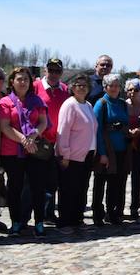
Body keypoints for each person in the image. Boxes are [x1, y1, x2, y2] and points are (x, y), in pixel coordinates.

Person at [0, 67, 48, 237]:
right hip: (12, 151)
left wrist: (32, 137)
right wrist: (23, 140)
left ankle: (39, 222)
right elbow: (5, 126)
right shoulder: (6, 101)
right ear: (12, 81)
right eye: (19, 79)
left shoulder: (37, 101)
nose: (23, 82)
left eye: (26, 79)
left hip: (34, 151)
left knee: (37, 188)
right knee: (15, 188)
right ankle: (16, 222)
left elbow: (43, 122)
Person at [55, 75, 97, 233]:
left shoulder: (88, 105)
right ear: (72, 88)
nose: (81, 88)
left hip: (87, 154)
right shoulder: (69, 105)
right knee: (68, 189)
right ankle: (65, 222)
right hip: (71, 155)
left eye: (84, 85)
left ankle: (76, 219)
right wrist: (64, 154)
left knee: (81, 188)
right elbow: (63, 131)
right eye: (78, 85)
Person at [33, 58, 69, 224]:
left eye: (57, 71)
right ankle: (31, 215)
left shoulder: (64, 90)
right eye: (51, 70)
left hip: (57, 142)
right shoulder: (35, 86)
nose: (53, 74)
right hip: (38, 140)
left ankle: (49, 213)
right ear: (45, 70)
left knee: (52, 182)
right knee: (34, 181)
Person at [92, 73, 130, 226]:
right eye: (111, 86)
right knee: (100, 183)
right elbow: (97, 129)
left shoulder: (122, 104)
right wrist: (102, 153)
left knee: (116, 184)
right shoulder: (101, 103)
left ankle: (113, 212)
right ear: (105, 87)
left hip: (121, 150)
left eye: (117, 85)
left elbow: (126, 123)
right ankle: (97, 214)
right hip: (106, 151)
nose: (114, 88)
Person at [125, 78, 140, 220]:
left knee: (137, 178)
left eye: (136, 89)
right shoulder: (123, 105)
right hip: (126, 144)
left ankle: (135, 206)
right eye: (131, 89)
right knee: (121, 177)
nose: (133, 92)